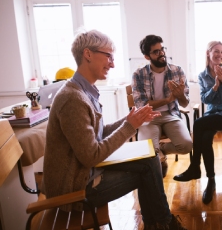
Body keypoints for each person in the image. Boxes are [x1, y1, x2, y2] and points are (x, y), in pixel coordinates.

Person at [42, 29, 187, 230]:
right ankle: (163, 223)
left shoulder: (82, 91)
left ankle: (158, 224)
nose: (112, 63)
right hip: (76, 187)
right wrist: (130, 126)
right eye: (108, 55)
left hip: (85, 172)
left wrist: (127, 120)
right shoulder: (72, 98)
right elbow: (91, 156)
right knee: (150, 171)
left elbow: (98, 135)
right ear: (88, 54)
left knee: (151, 159)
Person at [173, 41, 222, 204]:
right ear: (208, 53)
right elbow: (205, 98)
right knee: (204, 137)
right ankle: (211, 180)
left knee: (199, 124)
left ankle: (195, 167)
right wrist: (215, 86)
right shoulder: (202, 75)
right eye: (216, 51)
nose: (220, 55)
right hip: (211, 116)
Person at [132, 35, 192, 177]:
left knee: (186, 146)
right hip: (148, 116)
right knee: (147, 151)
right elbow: (141, 104)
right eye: (156, 52)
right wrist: (167, 99)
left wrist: (180, 95)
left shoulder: (177, 71)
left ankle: (160, 150)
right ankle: (156, 156)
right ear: (147, 56)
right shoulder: (138, 74)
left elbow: (185, 103)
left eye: (162, 49)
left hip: (171, 115)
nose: (162, 54)